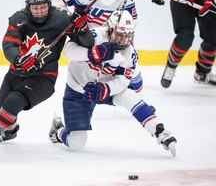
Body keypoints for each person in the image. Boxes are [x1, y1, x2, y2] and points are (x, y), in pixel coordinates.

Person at [0, 0, 92, 158]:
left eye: (43, 6)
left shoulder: (62, 19)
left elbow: (87, 43)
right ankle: (10, 131)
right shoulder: (18, 19)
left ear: (49, 3)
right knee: (2, 111)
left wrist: (82, 29)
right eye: (35, 7)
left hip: (43, 79)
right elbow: (9, 44)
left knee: (12, 102)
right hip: (15, 74)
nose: (40, 10)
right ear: (28, 5)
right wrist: (18, 59)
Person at [48, 10, 177, 157]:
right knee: (76, 143)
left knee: (129, 95)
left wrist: (105, 89)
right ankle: (58, 131)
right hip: (79, 89)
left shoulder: (129, 53)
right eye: (120, 34)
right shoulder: (94, 36)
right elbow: (68, 51)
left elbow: (123, 81)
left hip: (106, 89)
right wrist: (92, 53)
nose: (123, 40)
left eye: (128, 36)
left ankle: (160, 132)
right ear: (110, 29)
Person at [150, 0, 216, 88]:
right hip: (183, 1)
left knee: (213, 38)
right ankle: (171, 66)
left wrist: (213, 3)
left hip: (209, 6)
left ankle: (202, 71)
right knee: (185, 37)